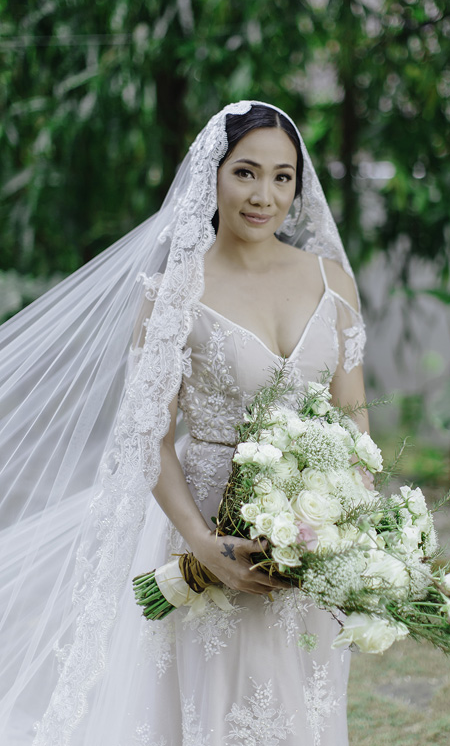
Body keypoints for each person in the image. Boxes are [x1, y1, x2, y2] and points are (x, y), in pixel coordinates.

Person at [0, 100, 367, 745]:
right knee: (215, 712)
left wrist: (361, 530)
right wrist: (201, 543)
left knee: (302, 708)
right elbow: (147, 434)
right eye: (246, 173)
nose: (264, 195)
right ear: (213, 177)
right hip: (208, 533)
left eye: (283, 177)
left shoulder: (333, 281)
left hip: (314, 538)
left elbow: (354, 419)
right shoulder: (175, 289)